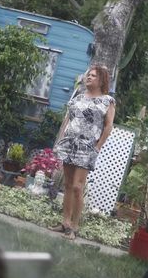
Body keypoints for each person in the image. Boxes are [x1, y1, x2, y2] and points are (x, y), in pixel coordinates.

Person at [49, 65, 116, 240]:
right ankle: (65, 222)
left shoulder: (107, 101)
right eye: (88, 75)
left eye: (93, 76)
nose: (88, 77)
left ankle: (75, 227)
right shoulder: (78, 97)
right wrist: (60, 141)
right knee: (68, 185)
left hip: (87, 147)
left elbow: (108, 126)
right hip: (69, 144)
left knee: (78, 187)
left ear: (101, 80)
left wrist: (98, 146)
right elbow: (67, 120)